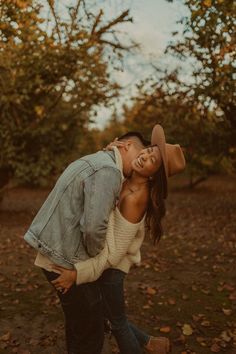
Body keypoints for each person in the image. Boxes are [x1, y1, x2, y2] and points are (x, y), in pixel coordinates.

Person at [49, 124, 186, 354]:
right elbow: (105, 176)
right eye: (148, 150)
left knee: (117, 322)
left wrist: (77, 273)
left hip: (113, 268)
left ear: (154, 176)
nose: (144, 156)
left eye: (152, 160)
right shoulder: (127, 178)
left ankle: (145, 344)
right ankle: (151, 343)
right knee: (103, 313)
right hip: (104, 258)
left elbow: (112, 255)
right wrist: (109, 151)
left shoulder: (135, 199)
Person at [24, 130, 150, 354]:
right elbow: (93, 230)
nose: (142, 159)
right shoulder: (108, 171)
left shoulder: (95, 161)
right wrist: (92, 261)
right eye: (142, 151)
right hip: (65, 261)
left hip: (54, 250)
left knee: (80, 324)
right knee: (89, 333)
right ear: (125, 145)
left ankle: (148, 342)